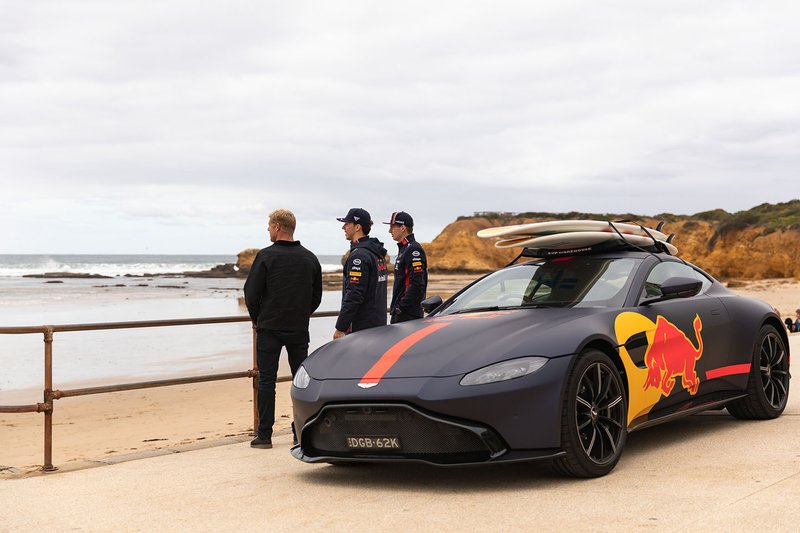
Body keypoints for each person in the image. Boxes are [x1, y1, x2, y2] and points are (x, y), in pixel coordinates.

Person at [244, 209, 322, 449]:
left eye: (269, 225)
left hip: (269, 327)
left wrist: (258, 319)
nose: (267, 229)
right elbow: (316, 296)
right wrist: (301, 314)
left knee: (267, 380)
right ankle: (299, 434)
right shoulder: (309, 258)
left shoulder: (266, 257)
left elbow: (251, 293)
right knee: (300, 381)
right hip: (298, 327)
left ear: (278, 226)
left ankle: (265, 435)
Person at [334, 208, 388, 339]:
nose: (343, 227)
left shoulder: (359, 256)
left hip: (362, 329)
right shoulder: (376, 253)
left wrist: (340, 327)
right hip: (378, 324)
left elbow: (354, 295)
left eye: (347, 223)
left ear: (357, 227)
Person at [384, 211, 428, 323]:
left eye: (392, 227)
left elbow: (417, 284)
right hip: (401, 313)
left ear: (403, 228)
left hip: (408, 315)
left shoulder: (413, 249)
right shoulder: (404, 248)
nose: (389, 231)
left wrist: (401, 308)